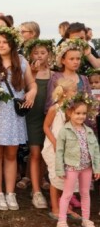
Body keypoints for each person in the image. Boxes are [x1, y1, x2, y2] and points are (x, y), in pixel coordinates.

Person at [0, 26, 37, 211]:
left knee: (11, 154)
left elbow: (31, 83)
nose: (1, 45)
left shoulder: (22, 62)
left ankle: (10, 193)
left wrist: (32, 92)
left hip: (13, 114)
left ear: (12, 44)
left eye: (5, 42)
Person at [55, 93, 100, 227]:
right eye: (78, 113)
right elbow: (59, 151)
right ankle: (62, 220)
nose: (81, 116)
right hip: (72, 168)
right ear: (69, 113)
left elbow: (96, 151)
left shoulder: (89, 131)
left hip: (86, 167)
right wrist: (59, 168)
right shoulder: (65, 131)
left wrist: (97, 168)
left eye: (84, 113)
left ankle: (85, 219)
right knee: (67, 194)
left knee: (85, 193)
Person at [22, 39, 54, 209]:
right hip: (33, 117)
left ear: (48, 54)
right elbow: (24, 90)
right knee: (35, 152)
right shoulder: (28, 72)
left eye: (43, 52)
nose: (40, 56)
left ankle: (40, 180)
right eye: (36, 53)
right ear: (31, 55)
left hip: (48, 118)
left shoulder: (54, 74)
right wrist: (32, 73)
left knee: (43, 152)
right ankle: (36, 191)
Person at [42, 78, 79, 220]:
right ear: (65, 93)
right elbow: (46, 127)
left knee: (67, 178)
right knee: (56, 177)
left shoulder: (72, 109)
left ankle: (66, 207)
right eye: (74, 90)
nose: (76, 93)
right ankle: (56, 208)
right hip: (55, 148)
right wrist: (55, 143)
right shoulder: (54, 109)